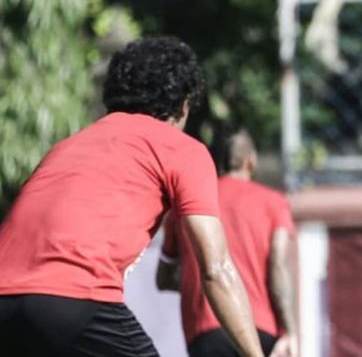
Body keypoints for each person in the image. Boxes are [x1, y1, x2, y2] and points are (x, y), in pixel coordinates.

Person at [0, 37, 264, 357]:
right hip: (76, 297)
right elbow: (216, 268)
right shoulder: (180, 149)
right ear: (183, 105)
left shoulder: (67, 147)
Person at [156, 129, 298, 357]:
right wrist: (290, 332)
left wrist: (201, 286)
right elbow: (278, 266)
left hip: (204, 330)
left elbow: (163, 279)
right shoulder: (274, 203)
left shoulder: (186, 205)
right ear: (251, 162)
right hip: (258, 329)